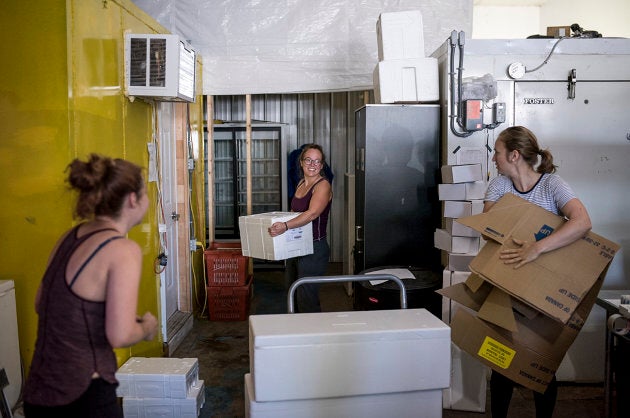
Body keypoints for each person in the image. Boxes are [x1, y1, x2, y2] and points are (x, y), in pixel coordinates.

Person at [23, 154, 159, 418]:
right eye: (145, 193)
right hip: (83, 396)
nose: (148, 200)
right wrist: (146, 327)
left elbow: (42, 303)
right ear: (133, 199)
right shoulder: (122, 249)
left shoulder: (70, 237)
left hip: (39, 392)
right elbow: (119, 336)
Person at [484, 126, 592, 418]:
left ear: (514, 155)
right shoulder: (499, 185)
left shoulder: (552, 185)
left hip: (542, 288)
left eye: (497, 151)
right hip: (506, 283)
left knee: (541, 364)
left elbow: (582, 222)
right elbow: (489, 231)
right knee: (501, 362)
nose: (494, 158)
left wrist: (536, 247)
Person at [268, 143, 333, 313]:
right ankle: (296, 332)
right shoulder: (301, 184)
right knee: (292, 292)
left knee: (307, 297)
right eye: (309, 160)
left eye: (317, 161)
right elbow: (293, 212)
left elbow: (311, 214)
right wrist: (276, 223)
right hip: (296, 246)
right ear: (301, 163)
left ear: (322, 165)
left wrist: (285, 226)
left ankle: (313, 337)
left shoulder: (322, 185)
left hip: (314, 248)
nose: (313, 165)